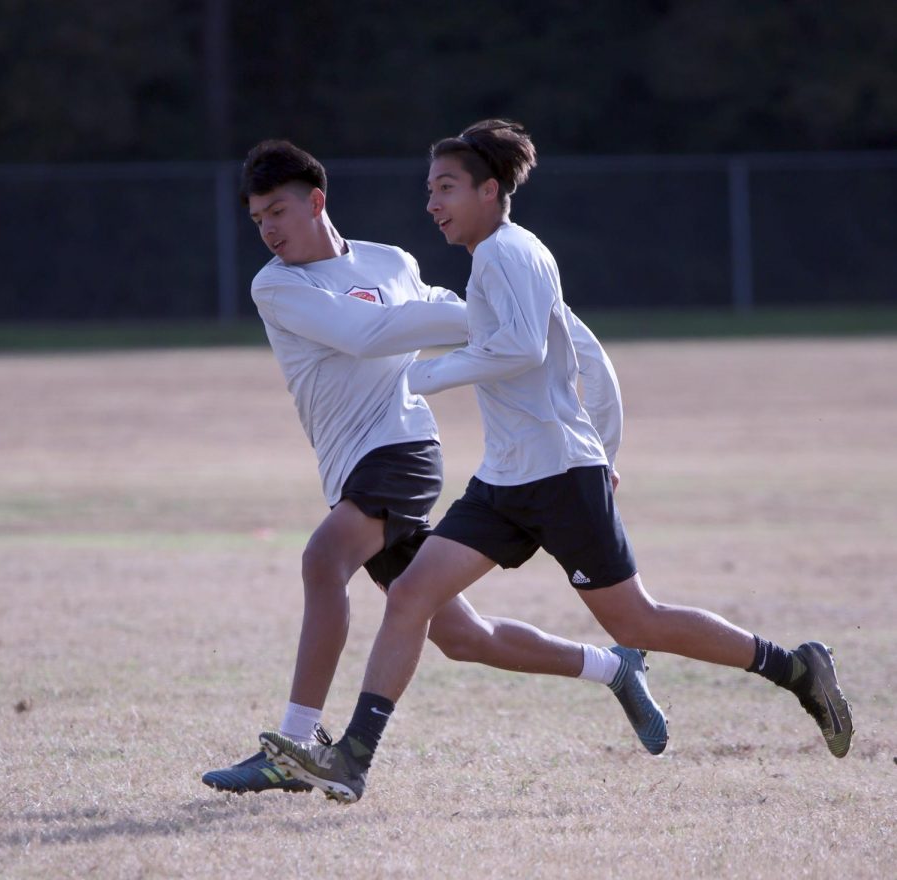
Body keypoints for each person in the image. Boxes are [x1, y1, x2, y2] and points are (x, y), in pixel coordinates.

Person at [258, 120, 854, 804]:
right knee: (412, 595)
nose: (432, 204)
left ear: (489, 190)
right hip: (505, 478)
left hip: (559, 475)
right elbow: (585, 352)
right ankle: (353, 759)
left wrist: (427, 380)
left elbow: (525, 351)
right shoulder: (490, 261)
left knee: (637, 622)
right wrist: (608, 443)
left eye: (446, 188)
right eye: (429, 190)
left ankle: (794, 668)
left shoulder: (512, 254)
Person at [202, 139, 667, 795]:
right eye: (257, 220)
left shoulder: (391, 262)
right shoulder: (277, 284)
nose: (269, 230)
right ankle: (613, 669)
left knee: (322, 558)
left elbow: (459, 320)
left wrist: (528, 315)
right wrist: (484, 312)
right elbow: (368, 334)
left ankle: (296, 744)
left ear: (316, 201)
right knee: (463, 635)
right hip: (350, 465)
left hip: (402, 449)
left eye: (278, 211)